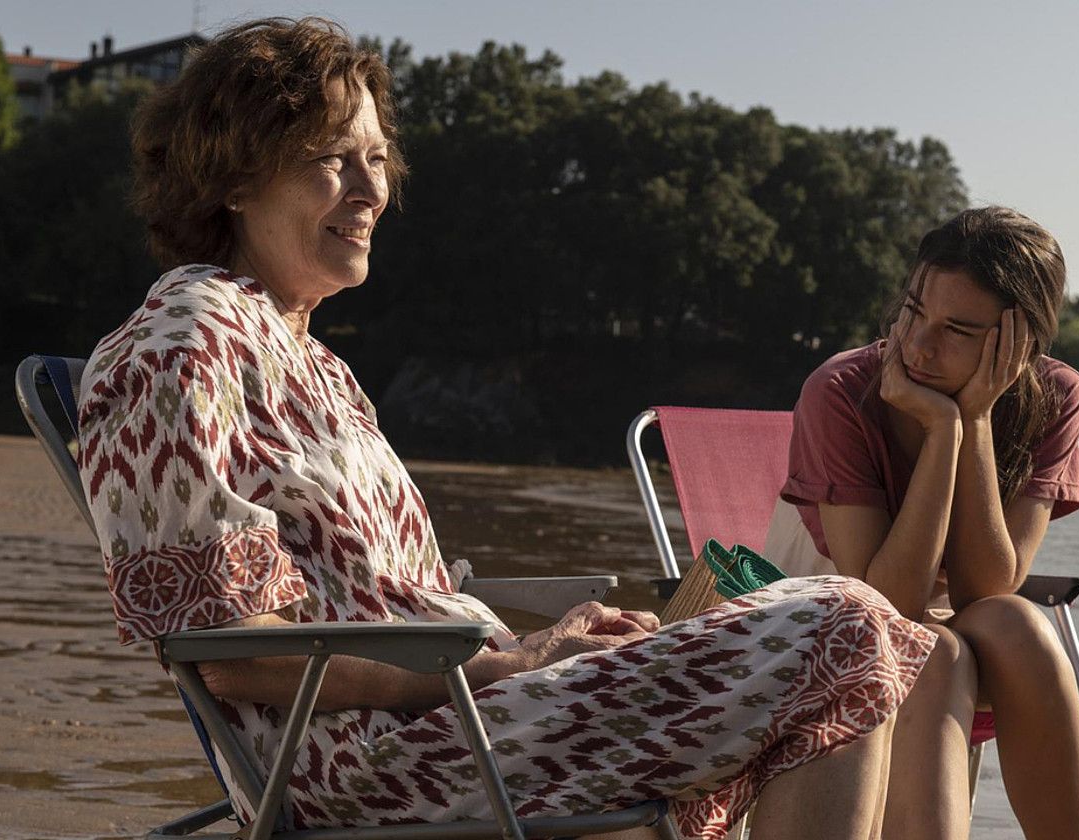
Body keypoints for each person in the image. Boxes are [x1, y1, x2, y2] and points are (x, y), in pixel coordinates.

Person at [76, 17, 936, 839]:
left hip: (461, 716)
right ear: (232, 176)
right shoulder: (181, 345)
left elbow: (381, 597)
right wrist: (496, 666)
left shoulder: (314, 363)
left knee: (821, 627)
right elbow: (231, 655)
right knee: (845, 622)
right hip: (364, 761)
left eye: (377, 158)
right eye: (333, 160)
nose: (373, 189)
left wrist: (537, 645)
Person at [769, 206, 1079, 839]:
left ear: (1017, 342)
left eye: (956, 329)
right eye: (913, 310)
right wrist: (943, 428)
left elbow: (985, 590)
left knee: (1021, 621)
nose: (916, 345)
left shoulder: (1056, 396)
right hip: (818, 620)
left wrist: (975, 421)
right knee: (934, 650)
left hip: (944, 623)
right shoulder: (840, 390)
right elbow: (886, 603)